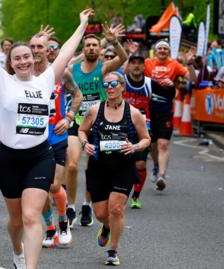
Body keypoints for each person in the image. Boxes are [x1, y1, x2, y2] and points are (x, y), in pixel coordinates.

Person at [0, 1, 92, 267]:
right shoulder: (3, 80)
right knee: (16, 221)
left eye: (26, 56)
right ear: (11, 62)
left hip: (40, 156)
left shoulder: (47, 79)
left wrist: (82, 25)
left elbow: (66, 51)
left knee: (31, 216)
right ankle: (16, 249)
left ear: (34, 58)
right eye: (16, 58)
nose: (22, 61)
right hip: (9, 160)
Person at [78, 71, 150, 266]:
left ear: (122, 87)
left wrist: (134, 147)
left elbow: (146, 139)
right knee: (102, 214)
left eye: (113, 84)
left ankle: (113, 250)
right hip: (99, 166)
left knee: (116, 209)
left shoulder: (133, 113)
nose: (109, 88)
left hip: (123, 167)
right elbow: (82, 130)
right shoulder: (94, 110)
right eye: (106, 84)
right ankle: (107, 227)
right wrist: (85, 144)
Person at [68, 25, 127, 227]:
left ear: (100, 50)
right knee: (73, 164)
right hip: (77, 122)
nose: (92, 48)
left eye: (95, 45)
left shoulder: (103, 68)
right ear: (83, 49)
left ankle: (86, 204)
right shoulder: (73, 70)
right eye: (88, 46)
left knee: (91, 167)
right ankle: (69, 206)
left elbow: (123, 58)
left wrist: (114, 41)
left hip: (98, 123)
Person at [29, 32, 73, 248]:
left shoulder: (59, 73)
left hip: (56, 136)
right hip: (33, 139)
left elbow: (78, 95)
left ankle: (63, 221)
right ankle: (49, 228)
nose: (36, 51)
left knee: (54, 186)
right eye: (33, 47)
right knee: (40, 188)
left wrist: (69, 117)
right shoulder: (23, 74)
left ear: (49, 50)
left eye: (40, 47)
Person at [144, 40, 196, 191]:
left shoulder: (174, 64)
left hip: (166, 111)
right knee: (151, 145)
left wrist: (190, 64)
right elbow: (128, 71)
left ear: (169, 51)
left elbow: (193, 79)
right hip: (148, 111)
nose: (162, 50)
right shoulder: (148, 63)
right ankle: (155, 165)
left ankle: (161, 175)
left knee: (163, 144)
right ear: (155, 50)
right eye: (159, 48)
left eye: (165, 49)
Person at [124, 55, 153, 208]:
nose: (136, 66)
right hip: (123, 127)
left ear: (144, 66)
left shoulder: (150, 83)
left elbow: (168, 95)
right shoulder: (121, 82)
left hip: (143, 128)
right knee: (122, 163)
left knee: (140, 164)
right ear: (128, 66)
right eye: (133, 63)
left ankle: (135, 196)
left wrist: (170, 86)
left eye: (139, 63)